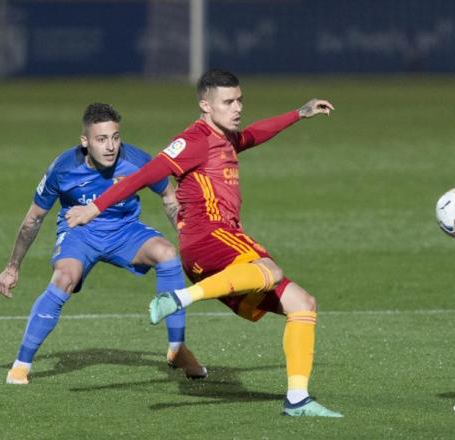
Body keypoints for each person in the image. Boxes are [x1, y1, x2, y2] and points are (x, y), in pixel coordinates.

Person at [65, 70, 341, 417]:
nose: (237, 107)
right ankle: (179, 298)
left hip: (223, 246)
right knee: (269, 269)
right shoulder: (193, 140)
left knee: (302, 304)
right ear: (205, 105)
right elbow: (144, 175)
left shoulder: (225, 137)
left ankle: (297, 399)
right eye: (228, 102)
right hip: (207, 238)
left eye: (239, 99)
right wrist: (94, 207)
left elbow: (254, 135)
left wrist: (299, 114)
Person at [0, 103, 206, 385]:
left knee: (167, 254)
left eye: (115, 137)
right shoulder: (63, 168)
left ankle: (178, 349)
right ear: (85, 141)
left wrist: (190, 240)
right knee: (63, 278)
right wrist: (12, 267)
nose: (110, 147)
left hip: (125, 231)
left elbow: (170, 198)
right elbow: (33, 219)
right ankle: (21, 365)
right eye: (101, 139)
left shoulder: (138, 161)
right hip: (79, 234)